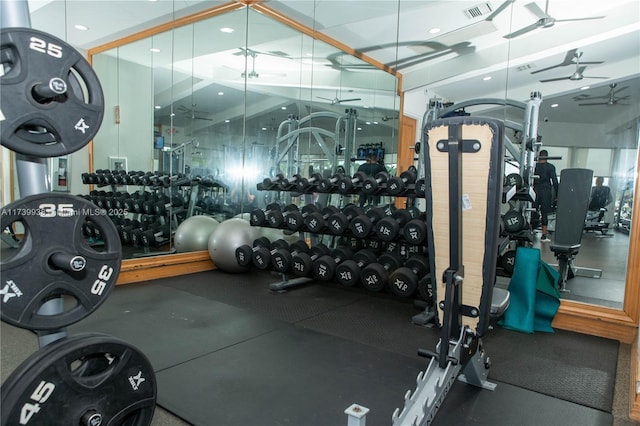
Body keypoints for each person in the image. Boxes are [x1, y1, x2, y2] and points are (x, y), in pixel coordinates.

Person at [533, 149, 559, 243]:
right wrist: (558, 194)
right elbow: (554, 181)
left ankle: (531, 231)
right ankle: (544, 235)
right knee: (544, 213)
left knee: (533, 211)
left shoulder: (534, 166)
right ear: (547, 157)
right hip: (546, 192)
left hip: (535, 191)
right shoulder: (550, 167)